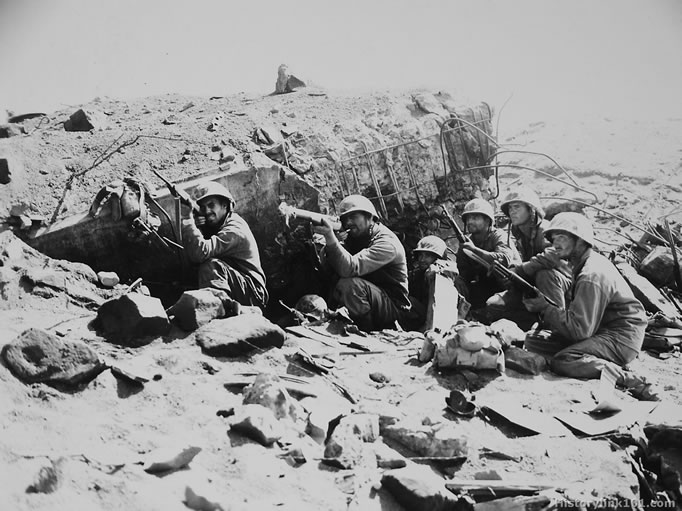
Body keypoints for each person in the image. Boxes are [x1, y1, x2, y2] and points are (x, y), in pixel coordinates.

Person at [522, 212, 658, 401]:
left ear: (580, 241)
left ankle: (630, 380)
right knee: (531, 341)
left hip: (620, 337)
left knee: (563, 360)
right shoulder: (582, 264)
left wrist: (545, 308)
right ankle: (595, 360)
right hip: (601, 329)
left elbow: (579, 331)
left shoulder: (591, 275)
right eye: (554, 238)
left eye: (562, 237)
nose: (555, 244)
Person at [318, 194, 410, 331]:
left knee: (349, 285)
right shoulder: (356, 236)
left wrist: (331, 239)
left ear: (370, 217)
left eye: (354, 216)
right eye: (344, 219)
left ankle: (366, 332)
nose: (348, 222)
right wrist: (334, 243)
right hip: (369, 298)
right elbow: (327, 268)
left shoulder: (387, 243)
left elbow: (349, 268)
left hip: (393, 307)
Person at [485, 187, 571, 329]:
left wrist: (520, 269)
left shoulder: (546, 230)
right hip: (537, 288)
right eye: (510, 208)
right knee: (493, 305)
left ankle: (557, 327)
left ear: (531, 209)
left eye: (517, 207)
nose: (512, 211)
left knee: (545, 275)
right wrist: (511, 274)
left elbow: (553, 256)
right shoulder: (520, 234)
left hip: (563, 286)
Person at [181, 180, 268, 310]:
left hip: (253, 295)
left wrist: (187, 221)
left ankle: (218, 311)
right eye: (203, 208)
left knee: (210, 266)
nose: (207, 211)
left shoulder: (234, 230)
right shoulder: (216, 225)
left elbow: (199, 253)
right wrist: (198, 228)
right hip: (237, 284)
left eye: (211, 205)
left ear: (225, 205)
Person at [456, 198, 520, 310]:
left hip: (509, 285)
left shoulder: (498, 235)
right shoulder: (467, 243)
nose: (470, 221)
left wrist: (475, 250)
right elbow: (463, 272)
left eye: (475, 218)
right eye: (468, 218)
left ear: (487, 220)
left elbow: (503, 259)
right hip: (485, 285)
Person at [407, 235, 461, 330]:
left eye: (427, 256)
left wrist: (438, 272)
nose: (422, 259)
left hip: (444, 322)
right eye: (420, 255)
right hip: (422, 317)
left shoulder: (450, 278)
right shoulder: (417, 274)